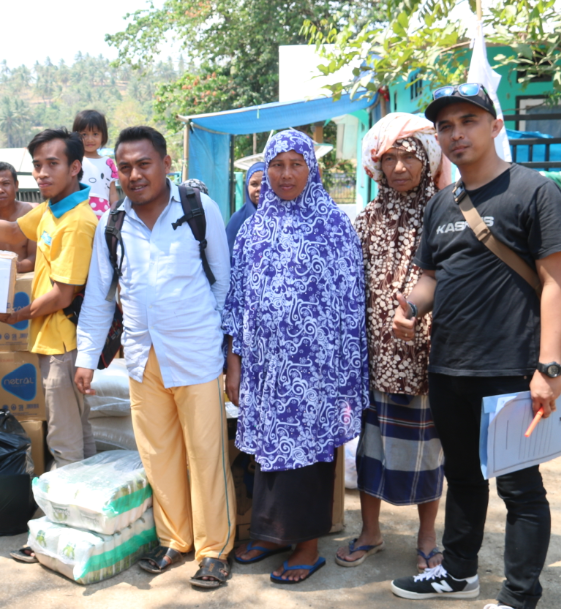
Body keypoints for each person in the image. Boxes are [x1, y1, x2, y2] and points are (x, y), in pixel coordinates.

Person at [389, 84, 560, 609]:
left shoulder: (535, 192)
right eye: (445, 126)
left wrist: (549, 368)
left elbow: (555, 283)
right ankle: (459, 571)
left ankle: (519, 596)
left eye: (468, 120)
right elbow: (432, 277)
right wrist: (411, 307)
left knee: (520, 488)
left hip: (512, 367)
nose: (456, 133)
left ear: (495, 125)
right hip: (449, 366)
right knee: (461, 476)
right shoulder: (444, 201)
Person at [75, 126, 236, 588]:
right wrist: (87, 357)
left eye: (144, 164)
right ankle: (173, 539)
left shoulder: (197, 208)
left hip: (195, 355)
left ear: (166, 164)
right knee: (158, 454)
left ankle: (213, 549)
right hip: (143, 357)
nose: (134, 175)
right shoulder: (114, 225)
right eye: (124, 167)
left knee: (206, 455)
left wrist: (223, 350)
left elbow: (223, 285)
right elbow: (99, 299)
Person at [224, 129, 369, 585]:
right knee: (268, 453)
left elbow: (350, 301)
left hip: (315, 370)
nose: (286, 174)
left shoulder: (332, 224)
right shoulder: (253, 227)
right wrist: (235, 361)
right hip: (266, 368)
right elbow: (238, 301)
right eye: (277, 165)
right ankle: (272, 533)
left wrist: (341, 370)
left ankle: (306, 544)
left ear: (313, 169)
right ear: (264, 171)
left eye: (296, 164)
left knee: (307, 457)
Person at [334, 113, 448, 574]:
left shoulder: (446, 212)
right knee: (372, 450)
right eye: (390, 159)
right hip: (375, 357)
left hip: (426, 357)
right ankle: (371, 531)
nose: (399, 167)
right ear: (377, 167)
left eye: (409, 157)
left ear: (427, 159)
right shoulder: (366, 219)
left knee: (427, 451)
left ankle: (426, 539)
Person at [0, 127, 98, 472]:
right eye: (37, 164)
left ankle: (65, 518)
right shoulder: (52, 210)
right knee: (77, 432)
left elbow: (62, 294)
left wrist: (17, 315)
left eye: (52, 163)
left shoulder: (77, 221)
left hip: (63, 345)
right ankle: (86, 511)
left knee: (64, 439)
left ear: (74, 167)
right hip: (53, 341)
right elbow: (12, 232)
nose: (41, 173)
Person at [73, 109, 119, 219]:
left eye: (95, 134)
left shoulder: (108, 162)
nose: (90, 139)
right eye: (84, 134)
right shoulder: (73, 162)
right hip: (78, 213)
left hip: (103, 215)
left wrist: (116, 213)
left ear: (103, 135)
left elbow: (112, 193)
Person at [225, 162, 264, 252]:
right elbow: (227, 256)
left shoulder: (281, 217)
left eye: (264, 184)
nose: (259, 188)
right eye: (254, 184)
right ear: (247, 187)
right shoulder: (237, 219)